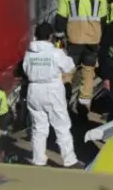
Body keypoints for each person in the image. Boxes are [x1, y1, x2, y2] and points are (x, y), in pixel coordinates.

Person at [22, 23, 80, 168]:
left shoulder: (29, 53)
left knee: (38, 127)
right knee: (61, 126)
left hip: (34, 89)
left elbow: (25, 69)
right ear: (50, 36)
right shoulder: (56, 53)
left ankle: (38, 159)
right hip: (52, 89)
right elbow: (70, 66)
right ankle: (70, 160)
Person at [54, 0, 108, 109]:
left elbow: (61, 19)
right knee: (89, 71)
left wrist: (59, 36)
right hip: (93, 40)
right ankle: (84, 104)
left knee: (68, 70)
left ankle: (63, 99)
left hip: (74, 39)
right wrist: (100, 38)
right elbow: (103, 20)